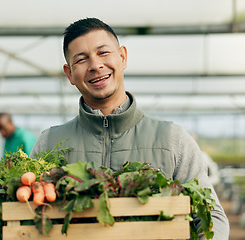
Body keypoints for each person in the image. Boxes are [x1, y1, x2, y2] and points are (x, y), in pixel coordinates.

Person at [30, 18, 229, 239]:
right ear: (69, 74)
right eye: (82, 59)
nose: (95, 65)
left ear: (122, 57)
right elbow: (27, 217)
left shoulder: (173, 140)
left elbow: (210, 216)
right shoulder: (48, 143)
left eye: (103, 53)